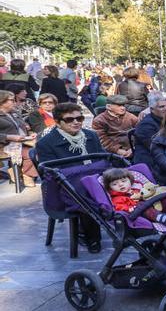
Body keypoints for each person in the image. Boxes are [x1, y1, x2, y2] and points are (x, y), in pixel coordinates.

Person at [34, 102, 105, 252]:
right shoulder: (46, 143)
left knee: (122, 183)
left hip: (93, 179)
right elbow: (52, 172)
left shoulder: (91, 135)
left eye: (79, 118)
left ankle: (129, 229)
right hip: (63, 188)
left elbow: (102, 159)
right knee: (87, 192)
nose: (76, 122)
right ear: (58, 122)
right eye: (69, 119)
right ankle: (93, 238)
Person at [101, 168, 166, 226]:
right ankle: (161, 218)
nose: (121, 185)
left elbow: (157, 190)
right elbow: (119, 207)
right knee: (142, 206)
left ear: (130, 181)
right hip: (144, 214)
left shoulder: (140, 187)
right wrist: (131, 208)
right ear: (109, 187)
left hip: (158, 205)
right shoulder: (117, 198)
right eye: (115, 184)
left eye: (123, 181)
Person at [0, 90, 38, 187]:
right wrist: (9, 137)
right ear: (2, 101)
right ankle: (27, 174)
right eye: (12, 100)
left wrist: (30, 133)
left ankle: (22, 171)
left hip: (21, 141)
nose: (15, 102)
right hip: (5, 145)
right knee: (31, 152)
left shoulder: (14, 113)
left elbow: (22, 128)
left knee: (43, 146)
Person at [91, 95, 138, 159]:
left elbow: (141, 133)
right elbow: (102, 139)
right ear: (109, 107)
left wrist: (133, 148)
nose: (123, 108)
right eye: (119, 105)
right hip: (111, 152)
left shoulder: (131, 117)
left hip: (132, 150)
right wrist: (118, 150)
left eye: (123, 105)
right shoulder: (99, 120)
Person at [132, 92, 166, 168]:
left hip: (162, 157)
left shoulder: (165, 120)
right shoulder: (146, 125)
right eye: (161, 107)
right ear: (152, 109)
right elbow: (155, 147)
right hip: (149, 163)